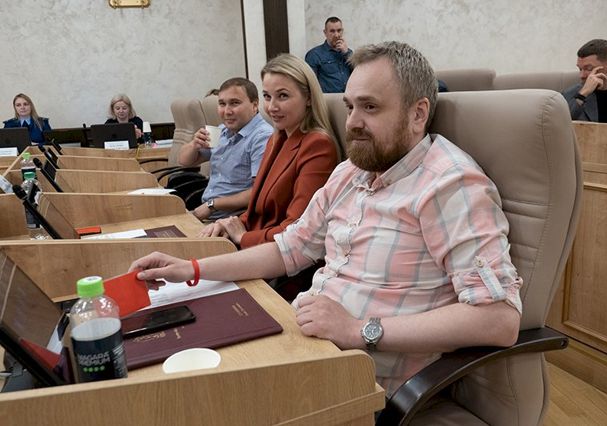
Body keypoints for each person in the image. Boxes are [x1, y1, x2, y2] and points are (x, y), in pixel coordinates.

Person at [130, 41, 522, 396]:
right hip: (301, 344)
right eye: (350, 106)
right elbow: (288, 249)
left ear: (418, 113)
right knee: (162, 366)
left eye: (370, 107)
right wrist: (191, 269)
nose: (351, 122)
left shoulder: (449, 185)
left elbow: (499, 319)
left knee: (183, 397)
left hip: (358, 380)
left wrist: (358, 329)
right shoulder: (351, 172)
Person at [198, 53, 340, 250]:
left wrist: (242, 237)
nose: (272, 107)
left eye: (283, 96)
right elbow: (257, 209)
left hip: (275, 255)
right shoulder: (276, 138)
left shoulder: (317, 145)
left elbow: (296, 229)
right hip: (256, 242)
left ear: (308, 98)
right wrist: (229, 224)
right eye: (267, 96)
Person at [178, 77, 272, 221]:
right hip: (208, 213)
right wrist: (193, 145)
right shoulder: (222, 130)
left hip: (232, 220)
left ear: (254, 105)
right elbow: (184, 161)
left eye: (235, 103)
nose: (227, 111)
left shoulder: (262, 137)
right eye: (222, 104)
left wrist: (212, 205)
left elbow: (259, 192)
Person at [305, 17, 352, 93]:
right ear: (325, 32)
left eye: (339, 30)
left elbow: (359, 75)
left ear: (342, 31)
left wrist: (347, 53)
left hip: (348, 96)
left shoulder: (349, 52)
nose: (336, 35)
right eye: (332, 31)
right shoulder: (314, 54)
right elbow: (310, 84)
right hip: (328, 98)